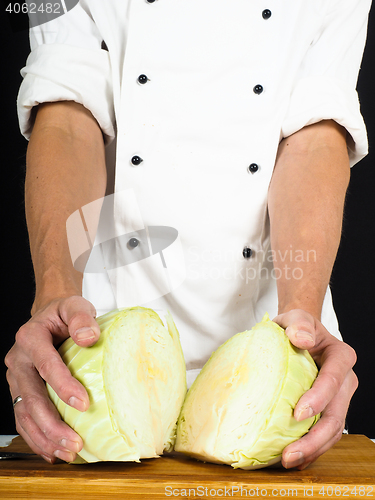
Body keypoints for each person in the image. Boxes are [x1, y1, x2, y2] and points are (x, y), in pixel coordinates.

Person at [5, 0, 372, 468]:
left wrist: (302, 313)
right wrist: (54, 294)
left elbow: (317, 133)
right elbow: (66, 113)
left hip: (264, 359)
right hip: (101, 342)